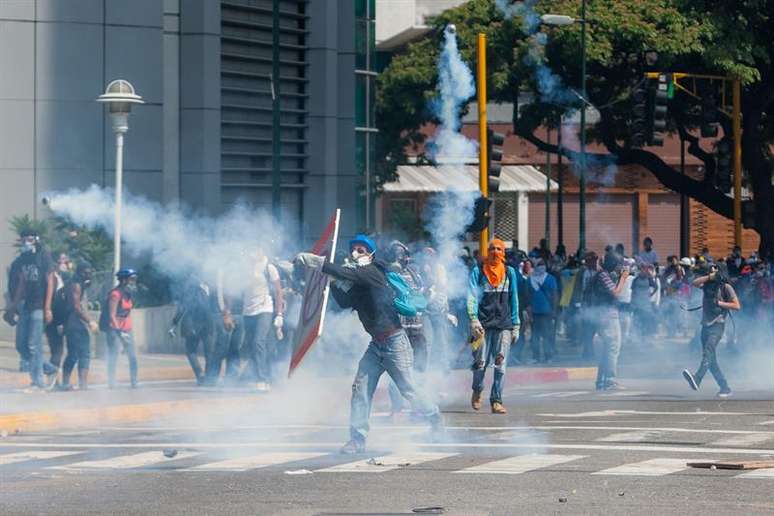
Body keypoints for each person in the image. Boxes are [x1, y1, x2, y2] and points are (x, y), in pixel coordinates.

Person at [295, 234, 443, 454]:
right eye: (354, 249)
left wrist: (319, 263)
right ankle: (357, 439)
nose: (356, 253)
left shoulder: (373, 272)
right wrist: (334, 282)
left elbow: (348, 273)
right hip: (376, 345)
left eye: (361, 249)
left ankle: (434, 418)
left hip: (395, 342)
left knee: (409, 389)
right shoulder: (358, 279)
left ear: (371, 254)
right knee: (360, 389)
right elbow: (345, 302)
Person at [467, 238, 520, 414]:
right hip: (482, 325)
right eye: (491, 249)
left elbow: (514, 299)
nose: (495, 252)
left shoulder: (509, 272)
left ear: (503, 253)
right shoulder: (478, 271)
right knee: (480, 363)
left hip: (503, 324)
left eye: (499, 249)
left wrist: (516, 324)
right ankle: (477, 389)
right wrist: (473, 319)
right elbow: (472, 296)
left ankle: (496, 400)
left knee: (500, 364)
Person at [5, 229, 57, 390]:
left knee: (34, 345)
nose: (25, 243)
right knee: (21, 345)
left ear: (36, 240)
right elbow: (22, 284)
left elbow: (50, 282)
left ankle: (38, 382)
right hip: (26, 306)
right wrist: (12, 307)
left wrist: (47, 308)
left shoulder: (44, 256)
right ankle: (50, 369)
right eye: (23, 240)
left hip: (39, 307)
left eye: (28, 239)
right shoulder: (22, 259)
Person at [682, 263, 740, 397]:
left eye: (715, 269)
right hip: (705, 325)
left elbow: (737, 305)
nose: (713, 270)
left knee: (708, 352)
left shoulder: (726, 287)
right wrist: (709, 277)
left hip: (718, 326)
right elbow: (694, 283)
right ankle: (725, 387)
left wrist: (720, 303)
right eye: (711, 269)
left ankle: (697, 379)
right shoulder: (707, 285)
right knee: (711, 360)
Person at [241, 247, 284, 391]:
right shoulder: (244, 267)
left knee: (258, 341)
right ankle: (258, 376)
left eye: (255, 249)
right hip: (248, 310)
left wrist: (279, 314)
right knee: (251, 344)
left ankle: (262, 378)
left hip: (264, 308)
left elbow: (278, 291)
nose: (252, 252)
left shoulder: (269, 267)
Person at [587, 252, 629, 390]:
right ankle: (610, 380)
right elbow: (615, 293)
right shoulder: (603, 275)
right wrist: (623, 278)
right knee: (612, 348)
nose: (619, 268)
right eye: (618, 265)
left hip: (601, 316)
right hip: (608, 317)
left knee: (605, 350)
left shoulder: (601, 275)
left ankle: (601, 380)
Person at [169, 279, 219, 385]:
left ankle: (200, 375)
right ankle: (208, 378)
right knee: (209, 352)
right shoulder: (210, 288)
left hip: (193, 323)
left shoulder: (191, 289)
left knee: (191, 351)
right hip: (207, 323)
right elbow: (215, 308)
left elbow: (182, 308)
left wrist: (174, 324)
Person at [60, 262, 97, 390]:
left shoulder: (79, 285)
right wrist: (89, 321)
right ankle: (69, 383)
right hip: (74, 324)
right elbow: (76, 308)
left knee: (81, 354)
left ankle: (81, 384)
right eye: (86, 272)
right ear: (80, 273)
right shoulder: (75, 285)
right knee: (77, 354)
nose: (89, 275)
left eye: (90, 272)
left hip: (76, 324)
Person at [103, 268, 139, 389]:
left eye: (134, 280)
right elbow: (112, 315)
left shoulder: (129, 294)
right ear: (123, 280)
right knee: (113, 355)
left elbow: (127, 313)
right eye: (131, 280)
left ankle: (134, 381)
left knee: (132, 356)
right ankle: (111, 381)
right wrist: (119, 332)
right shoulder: (115, 294)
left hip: (126, 328)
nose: (133, 282)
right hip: (115, 329)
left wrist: (127, 331)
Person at [528, 258, 558, 363]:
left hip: (547, 312)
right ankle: (536, 357)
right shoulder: (530, 279)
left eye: (543, 264)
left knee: (547, 336)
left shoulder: (550, 278)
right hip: (535, 312)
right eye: (539, 264)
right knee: (535, 337)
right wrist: (529, 312)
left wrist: (554, 310)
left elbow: (554, 295)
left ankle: (548, 357)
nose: (541, 266)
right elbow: (528, 296)